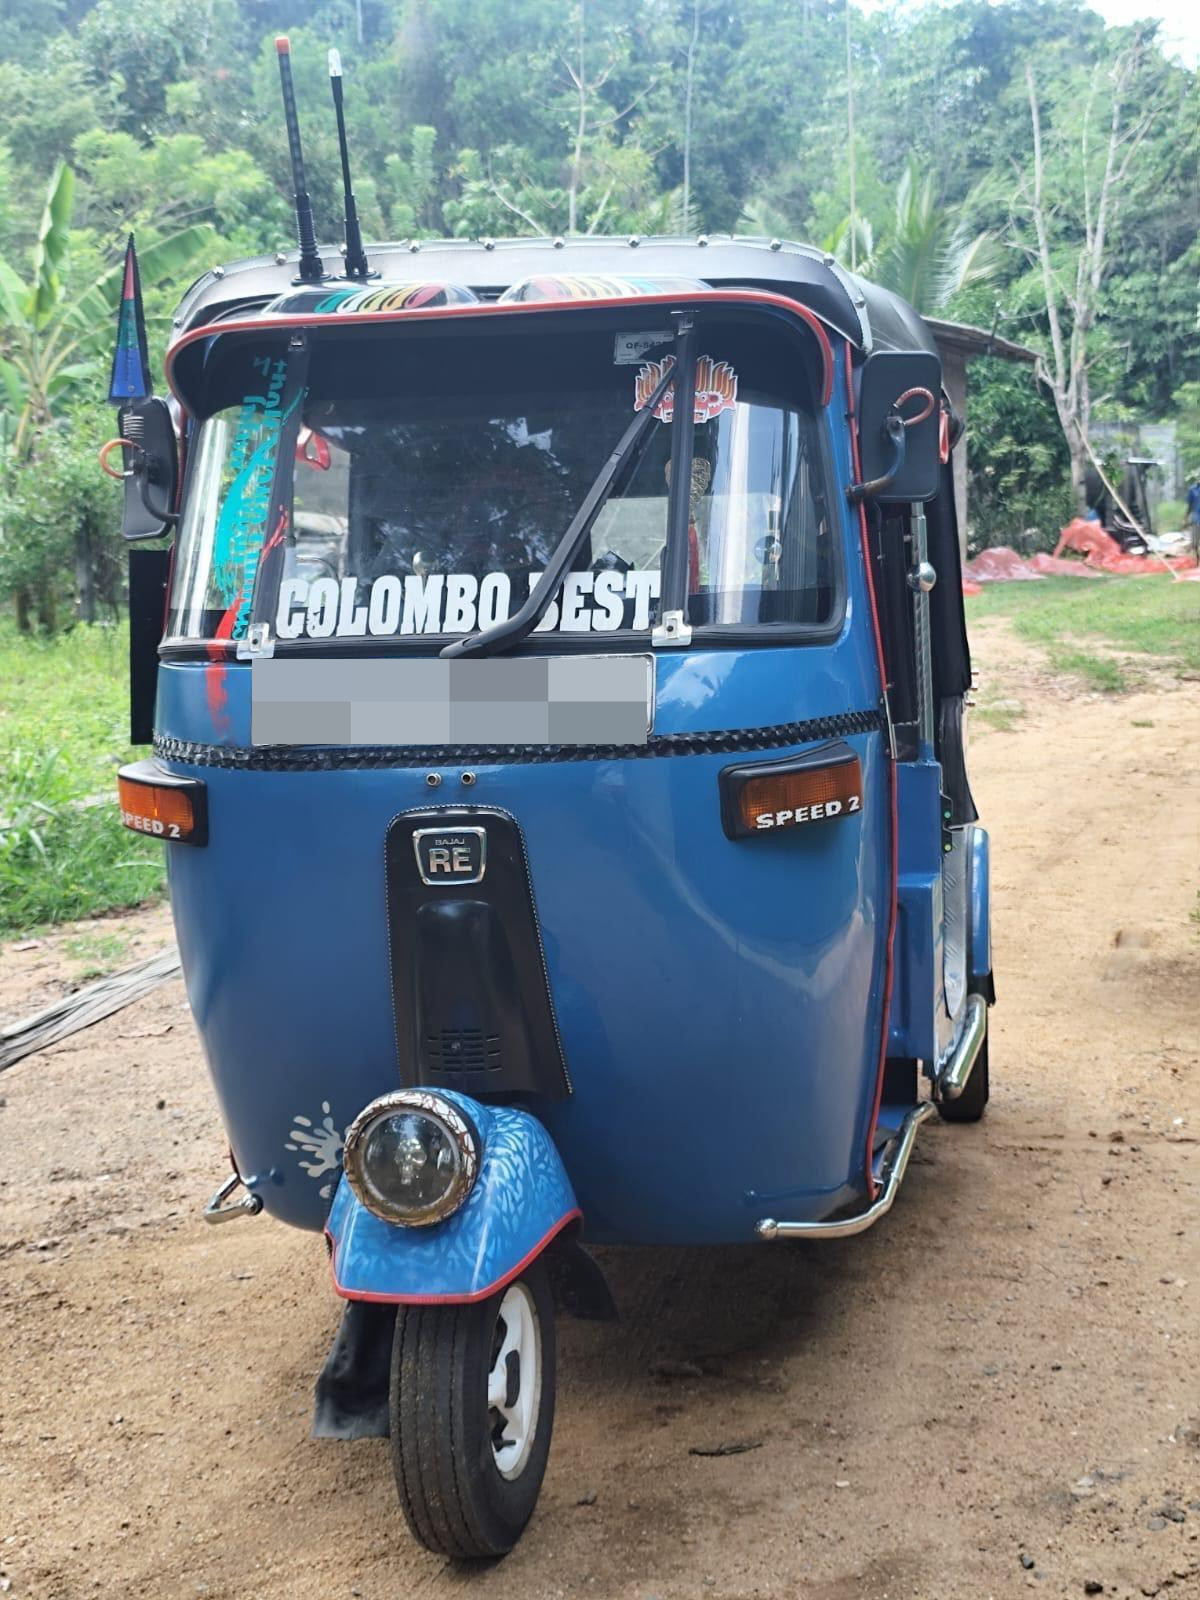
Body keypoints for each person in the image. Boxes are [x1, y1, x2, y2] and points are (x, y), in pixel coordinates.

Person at [1186, 475, 1200, 562]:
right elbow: (1189, 506)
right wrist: (1185, 518)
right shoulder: (1192, 490)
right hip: (1196, 519)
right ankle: (1197, 560)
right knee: (1195, 542)